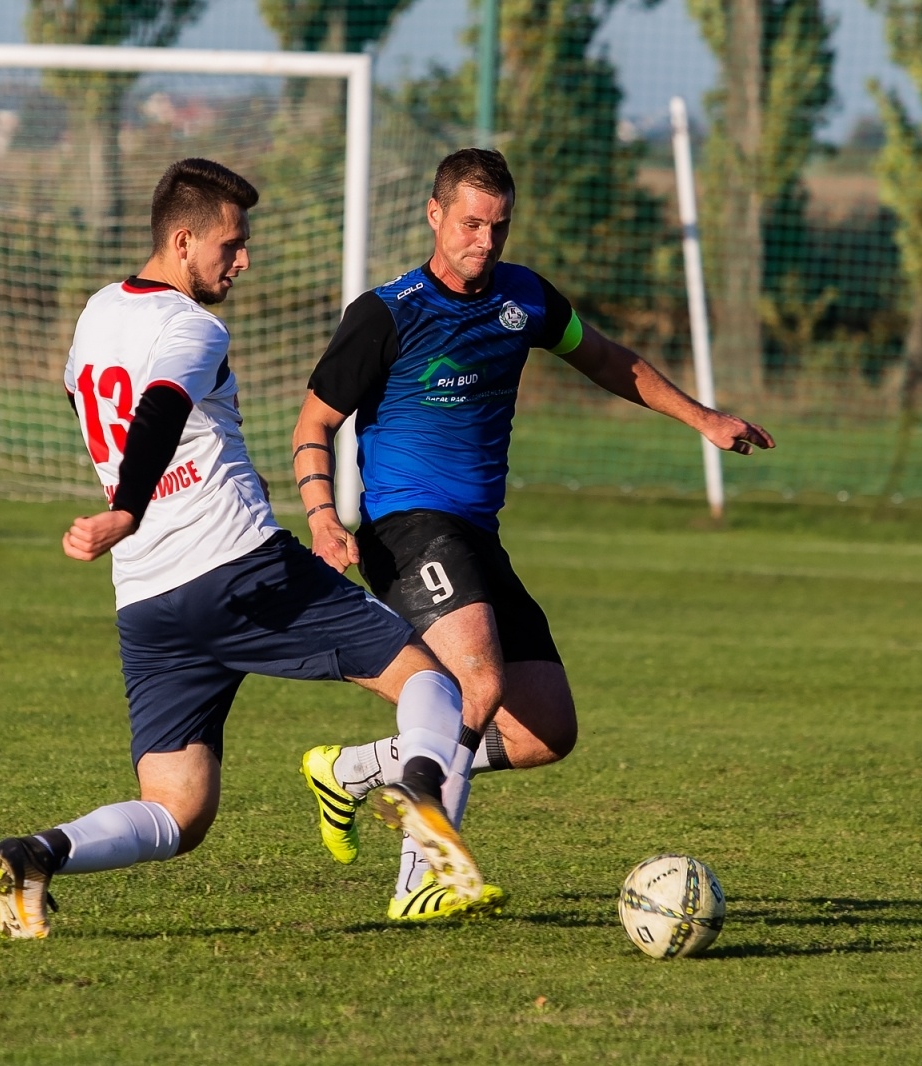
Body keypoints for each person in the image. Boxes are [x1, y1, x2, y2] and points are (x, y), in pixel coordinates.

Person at [0, 158, 492, 940]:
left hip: (149, 599)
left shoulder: (96, 314)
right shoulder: (190, 326)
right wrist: (127, 506)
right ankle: (422, 795)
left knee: (179, 810)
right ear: (183, 241)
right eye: (231, 244)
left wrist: (130, 511)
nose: (243, 259)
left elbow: (109, 403)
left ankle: (37, 853)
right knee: (434, 682)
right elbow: (159, 407)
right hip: (237, 567)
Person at [292, 148, 774, 921]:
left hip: (477, 533)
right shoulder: (386, 312)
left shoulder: (525, 297)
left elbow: (610, 360)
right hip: (404, 526)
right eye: (471, 224)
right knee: (474, 686)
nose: (485, 241)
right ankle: (422, 873)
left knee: (547, 728)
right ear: (435, 215)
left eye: (499, 226)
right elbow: (314, 422)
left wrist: (705, 418)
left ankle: (353, 771)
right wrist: (322, 517)